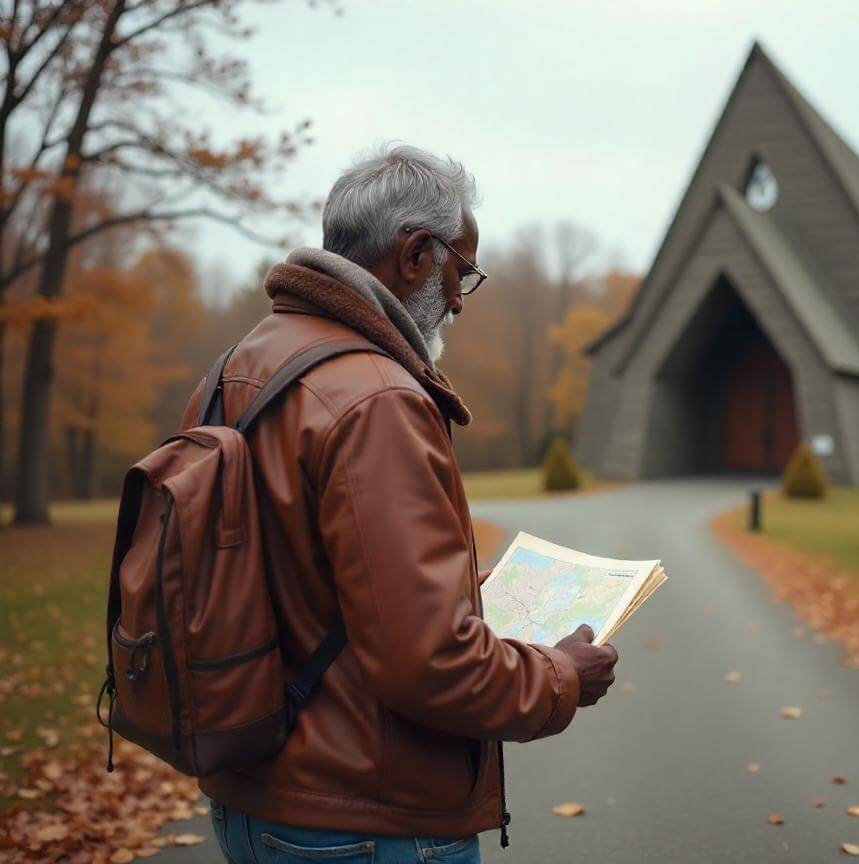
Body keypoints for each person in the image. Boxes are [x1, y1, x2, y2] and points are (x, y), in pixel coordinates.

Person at [179, 143, 619, 864]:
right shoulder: (378, 396)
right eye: (460, 273)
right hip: (365, 822)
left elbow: (288, 577)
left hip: (250, 798)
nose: (455, 300)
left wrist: (444, 596)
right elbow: (428, 663)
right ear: (416, 253)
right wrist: (561, 677)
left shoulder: (237, 368)